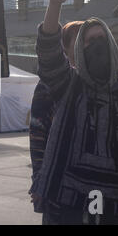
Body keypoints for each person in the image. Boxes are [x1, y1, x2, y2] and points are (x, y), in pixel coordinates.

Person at [32, 0, 118, 225]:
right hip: (65, 207)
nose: (97, 46)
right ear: (80, 50)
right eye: (90, 41)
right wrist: (55, 4)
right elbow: (48, 53)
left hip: (117, 210)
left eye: (102, 39)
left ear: (112, 46)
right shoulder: (67, 85)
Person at [29, 21, 82, 216]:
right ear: (65, 49)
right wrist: (39, 179)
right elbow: (37, 134)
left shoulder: (105, 84)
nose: (86, 45)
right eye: (78, 40)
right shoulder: (48, 86)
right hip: (58, 183)